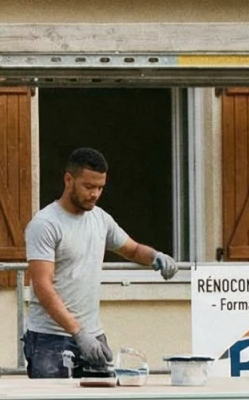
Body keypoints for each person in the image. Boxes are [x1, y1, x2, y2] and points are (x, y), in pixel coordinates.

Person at [23, 147, 178, 378]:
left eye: (100, 187)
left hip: (92, 334)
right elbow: (43, 287)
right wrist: (78, 333)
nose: (95, 194)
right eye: (88, 186)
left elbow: (133, 249)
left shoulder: (101, 219)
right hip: (50, 339)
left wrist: (156, 256)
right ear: (68, 180)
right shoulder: (45, 224)